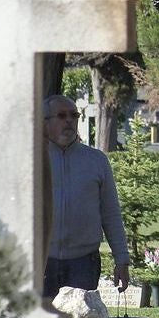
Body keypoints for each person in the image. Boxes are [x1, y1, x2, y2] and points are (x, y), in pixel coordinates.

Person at [42, 94, 130, 297]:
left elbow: (111, 214)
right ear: (45, 122)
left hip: (83, 263)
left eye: (74, 115)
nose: (69, 121)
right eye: (61, 116)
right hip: (41, 262)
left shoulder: (96, 160)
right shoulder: (30, 159)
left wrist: (121, 259)